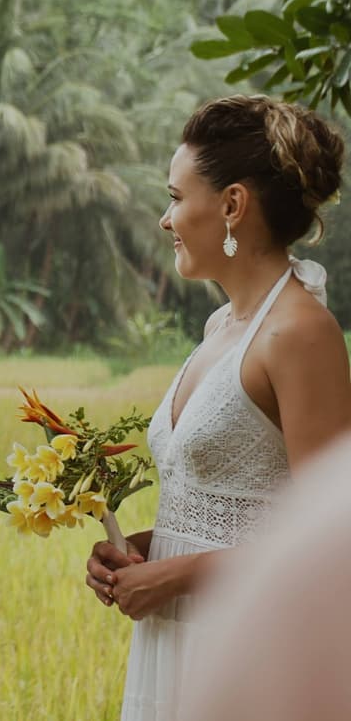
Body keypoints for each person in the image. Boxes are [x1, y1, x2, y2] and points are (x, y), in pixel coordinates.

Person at [83, 94, 351, 720]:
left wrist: (177, 577)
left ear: (232, 204)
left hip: (251, 649)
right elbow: (231, 509)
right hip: (174, 640)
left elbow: (334, 542)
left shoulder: (300, 334)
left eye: (176, 197)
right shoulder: (220, 329)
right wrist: (147, 551)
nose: (165, 220)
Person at [177, 430, 351, 721]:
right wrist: (144, 547)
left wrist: (176, 575)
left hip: (222, 618)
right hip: (168, 622)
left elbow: (317, 526)